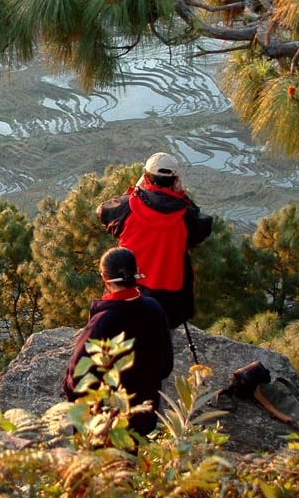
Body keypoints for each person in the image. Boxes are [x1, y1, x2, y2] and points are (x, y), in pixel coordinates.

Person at [62, 247, 174, 437]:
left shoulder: (104, 321)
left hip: (105, 424)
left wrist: (68, 388)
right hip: (142, 419)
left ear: (105, 278)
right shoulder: (154, 308)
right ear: (135, 272)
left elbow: (77, 378)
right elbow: (165, 367)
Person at [96, 152, 213, 329]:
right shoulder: (186, 216)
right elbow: (202, 227)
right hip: (169, 298)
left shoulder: (127, 207)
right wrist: (182, 196)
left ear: (146, 178)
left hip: (127, 287)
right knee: (161, 338)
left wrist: (135, 191)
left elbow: (103, 212)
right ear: (175, 181)